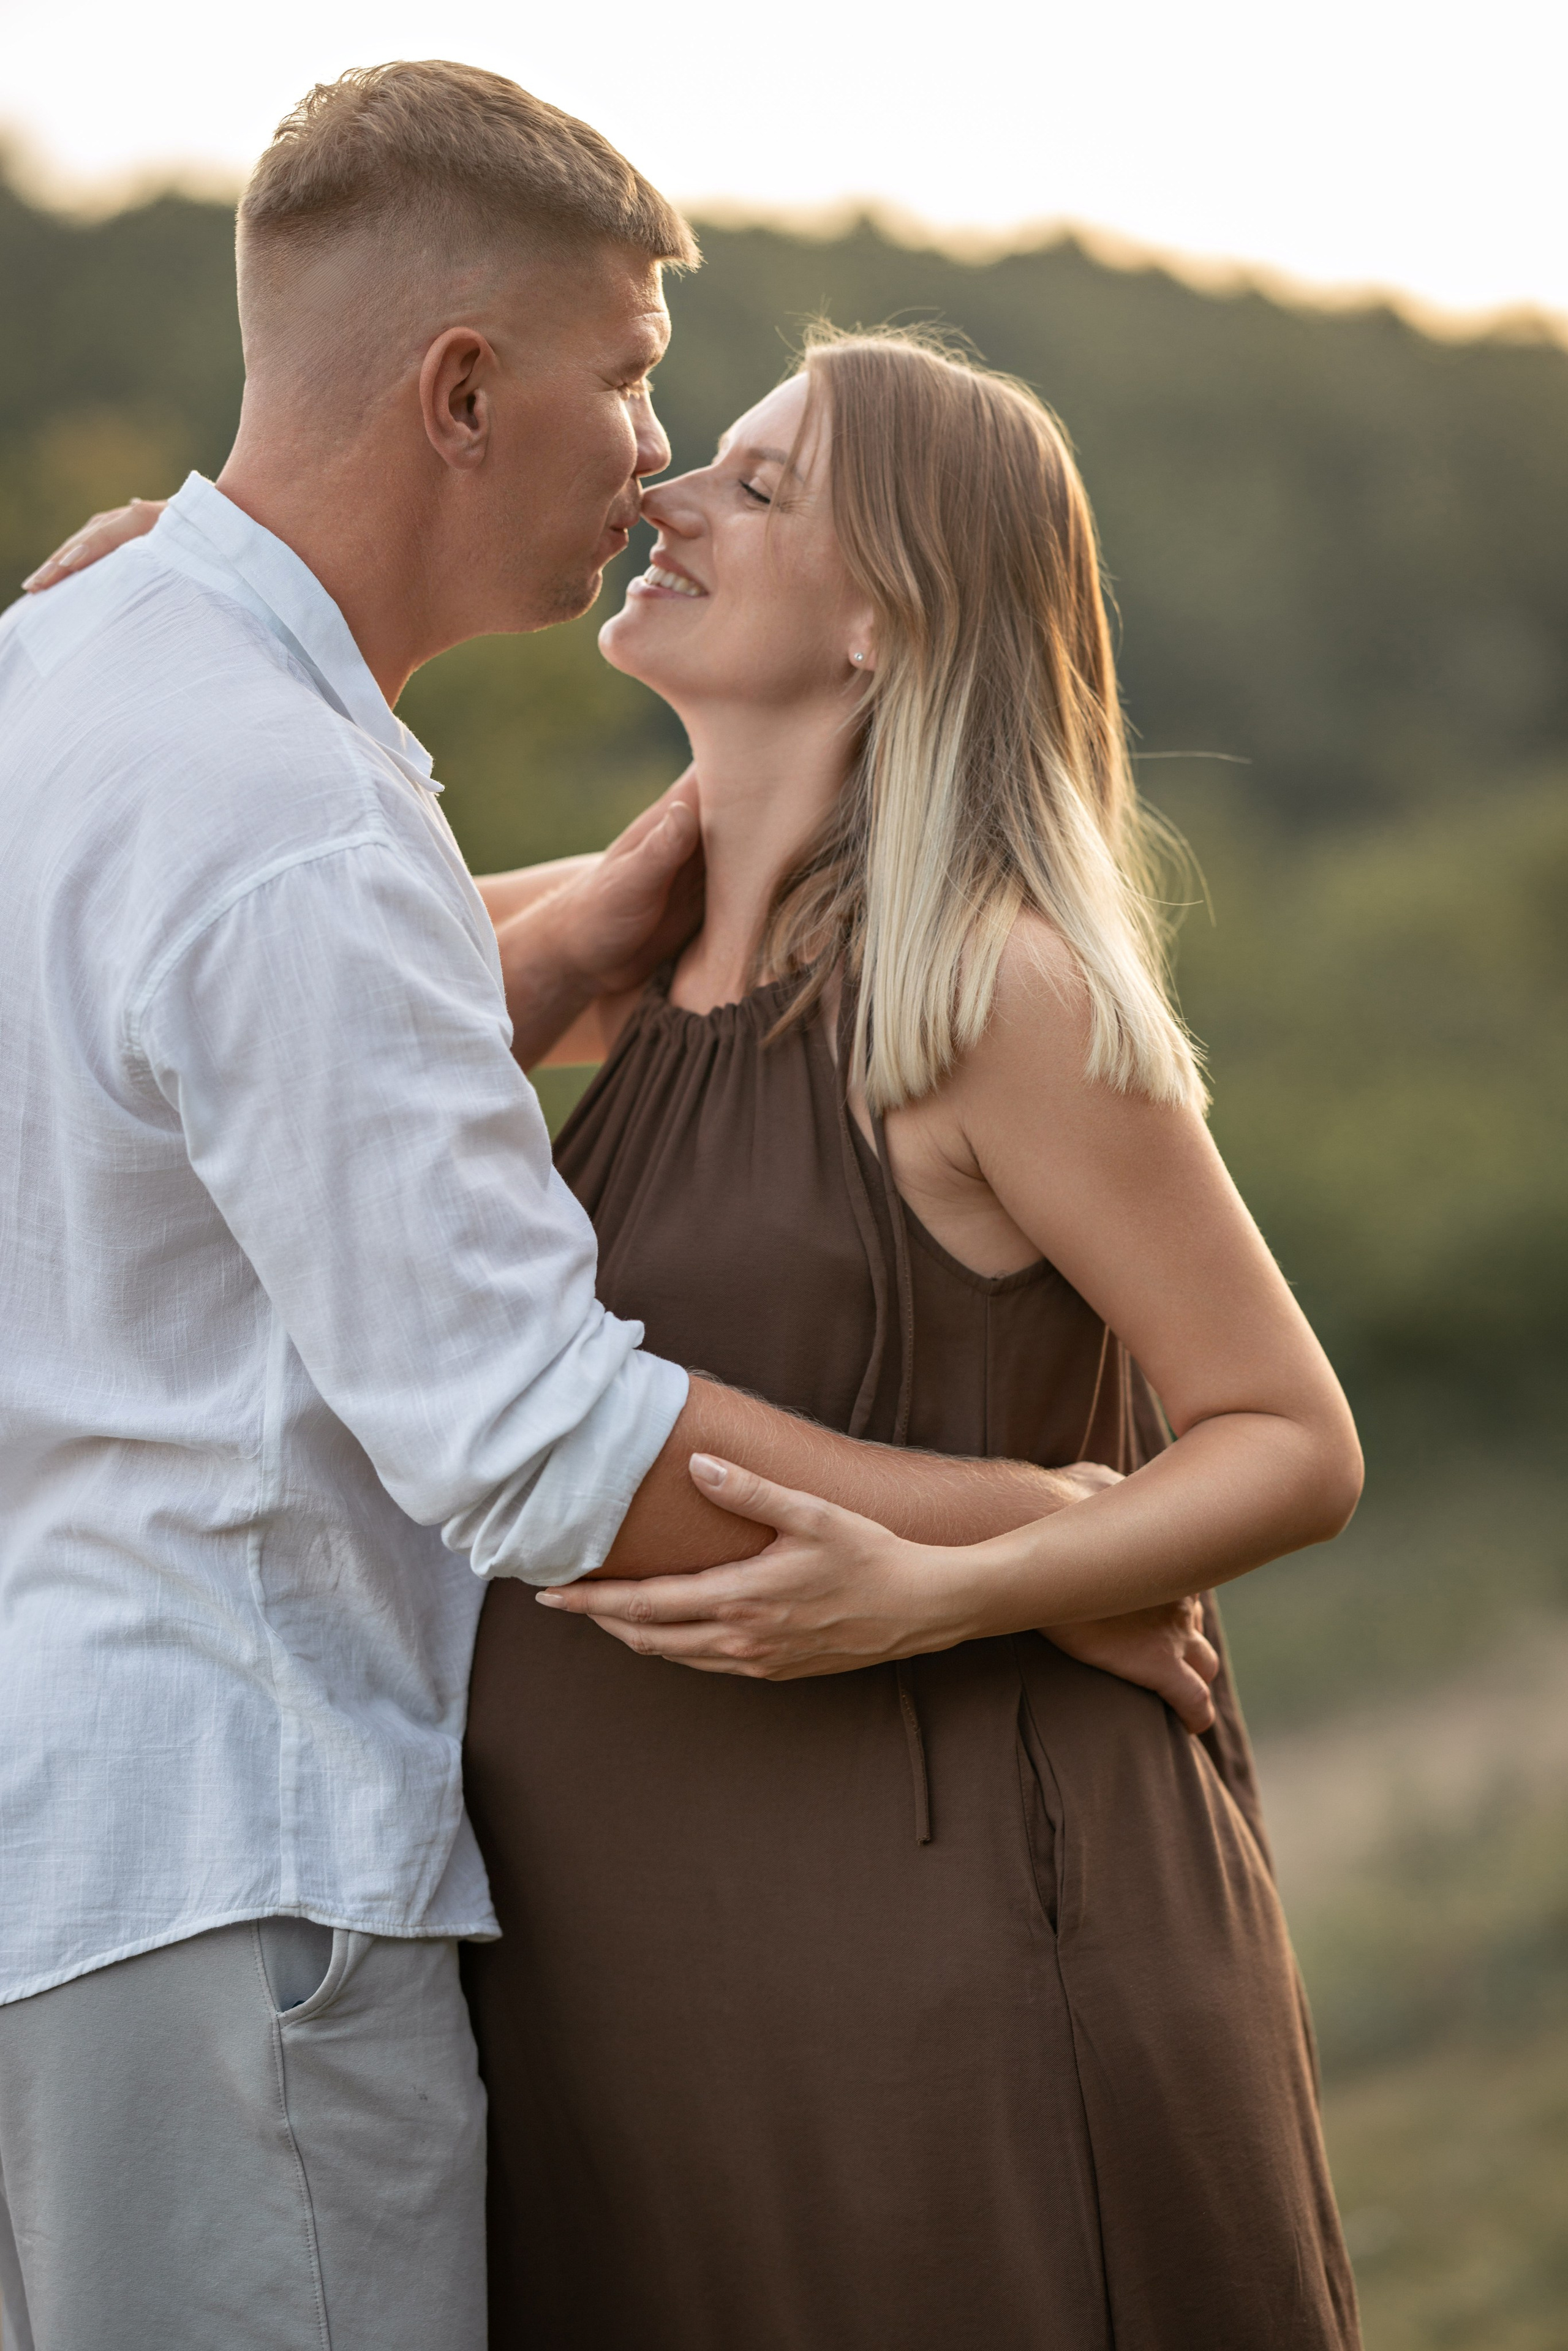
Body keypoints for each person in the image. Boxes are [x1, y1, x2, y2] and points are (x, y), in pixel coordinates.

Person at [0, 66, 1161, 2351]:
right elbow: (535, 1437)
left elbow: (188, 1094)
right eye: (628, 378)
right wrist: (1031, 1547)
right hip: (249, 1888)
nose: (655, 450)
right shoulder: (294, 821)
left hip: (74, 1865)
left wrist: (562, 937)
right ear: (460, 392)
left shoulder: (71, 683)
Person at [457, 334, 1365, 2347]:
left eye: (762, 489)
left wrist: (969, 1582)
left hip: (944, 1949)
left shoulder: (983, 990)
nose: (672, 492)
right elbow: (222, 944)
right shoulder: (629, 950)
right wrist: (151, 593)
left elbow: (1286, 1438)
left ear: (891, 615)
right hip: (635, 1978)